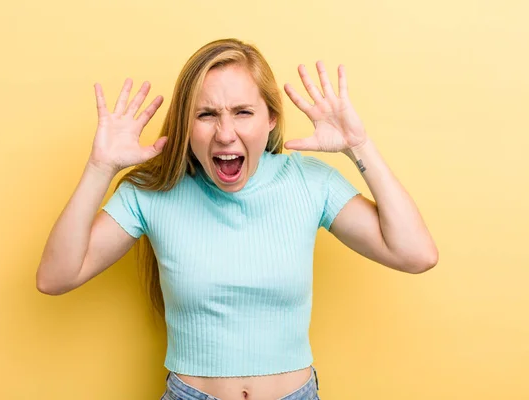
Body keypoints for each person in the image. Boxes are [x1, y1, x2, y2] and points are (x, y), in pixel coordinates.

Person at [36, 38, 439, 400]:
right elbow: (55, 277)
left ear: (271, 119)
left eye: (243, 112)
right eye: (207, 114)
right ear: (185, 125)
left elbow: (416, 254)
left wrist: (359, 145)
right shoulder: (152, 191)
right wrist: (100, 167)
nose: (225, 134)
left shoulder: (309, 182)